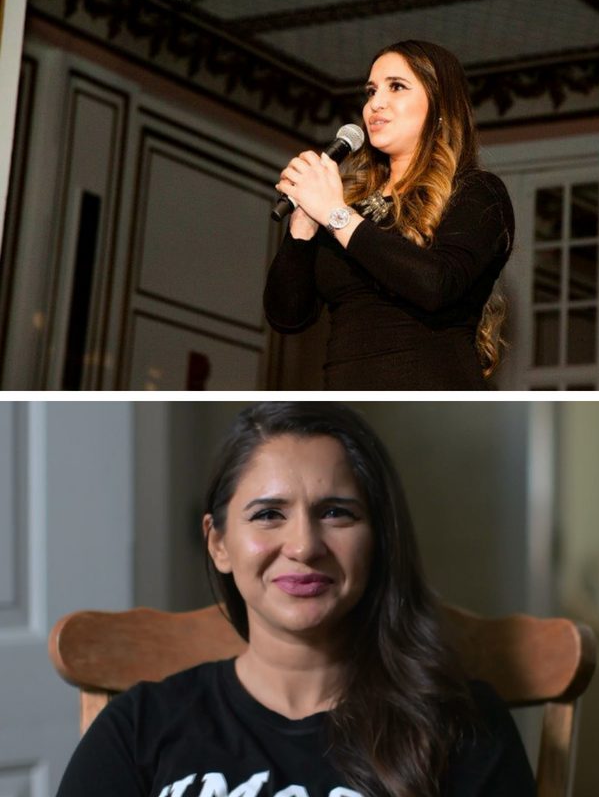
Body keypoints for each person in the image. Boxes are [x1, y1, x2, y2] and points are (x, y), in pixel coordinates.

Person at [55, 402, 537, 797]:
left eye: (335, 513)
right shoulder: (140, 727)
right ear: (218, 543)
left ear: (379, 539)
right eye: (268, 514)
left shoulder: (462, 726)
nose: (305, 546)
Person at [264, 41, 515, 390]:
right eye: (371, 91)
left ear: (439, 104)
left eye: (396, 87)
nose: (375, 104)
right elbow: (288, 316)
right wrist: (304, 225)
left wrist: (336, 215)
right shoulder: (350, 205)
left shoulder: (477, 191)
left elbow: (435, 285)